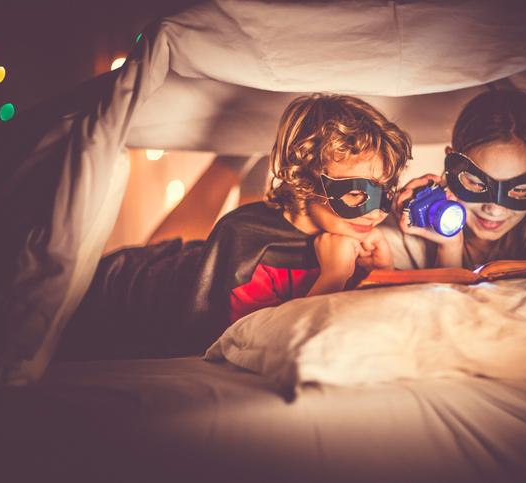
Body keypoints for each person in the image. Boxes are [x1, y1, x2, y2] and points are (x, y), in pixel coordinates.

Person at [56, 94, 411, 360]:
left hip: (200, 255)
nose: (377, 213)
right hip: (127, 287)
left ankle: (240, 175)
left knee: (194, 244)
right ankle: (230, 163)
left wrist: (381, 275)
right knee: (188, 247)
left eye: (385, 192)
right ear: (304, 180)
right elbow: (266, 345)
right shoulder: (246, 247)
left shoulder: (349, 239)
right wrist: (332, 276)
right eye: (355, 194)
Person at [384, 88, 526, 270]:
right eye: (476, 183)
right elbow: (444, 304)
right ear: (451, 163)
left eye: (519, 189)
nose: (494, 210)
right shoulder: (417, 217)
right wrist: (450, 246)